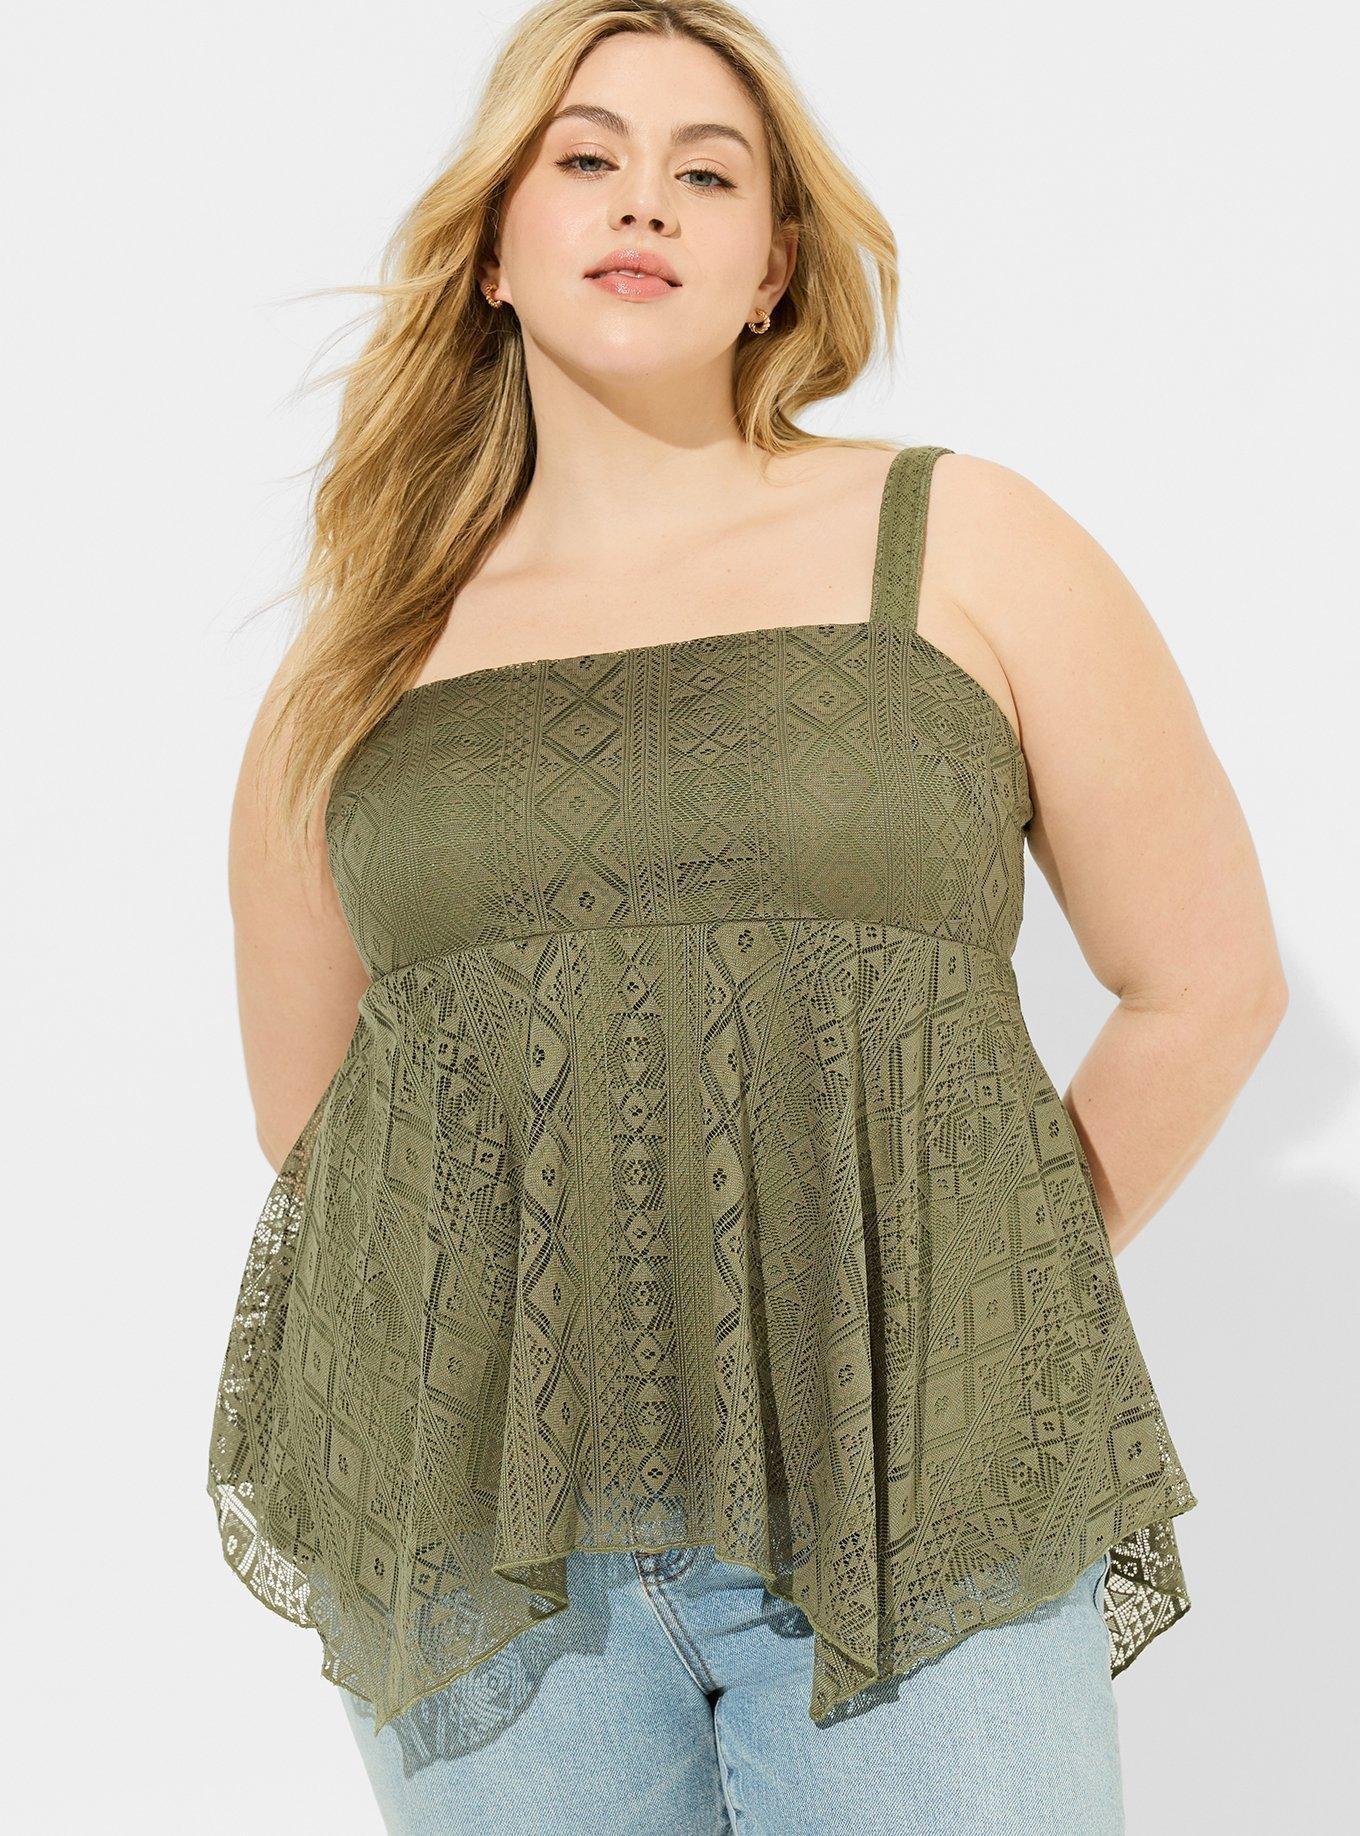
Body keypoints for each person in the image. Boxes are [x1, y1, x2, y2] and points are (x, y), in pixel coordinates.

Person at [207, 2, 1287, 1831]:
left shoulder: (971, 542)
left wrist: (958, 1301)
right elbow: (316, 1115)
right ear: (494, 246)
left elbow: (1206, 983)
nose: (646, 201)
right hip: (487, 1541)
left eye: (707, 174)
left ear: (775, 265)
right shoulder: (361, 659)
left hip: (913, 1494)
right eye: (587, 157)